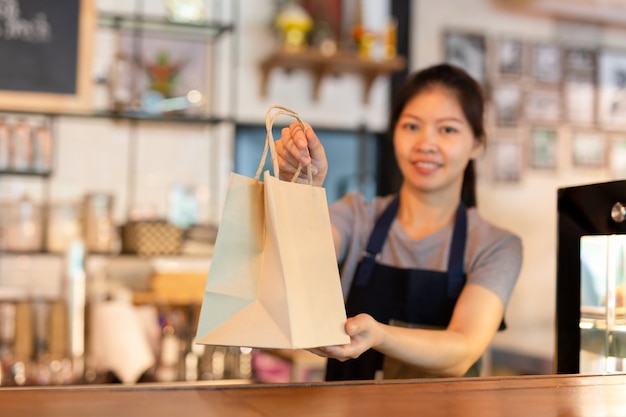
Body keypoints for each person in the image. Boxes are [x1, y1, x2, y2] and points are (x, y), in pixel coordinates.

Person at [275, 63, 522, 380]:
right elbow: (299, 255)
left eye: (447, 129)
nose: (425, 144)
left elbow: (462, 350)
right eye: (412, 126)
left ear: (477, 143)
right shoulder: (357, 216)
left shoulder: (496, 245)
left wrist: (378, 336)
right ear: (394, 134)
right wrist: (300, 190)